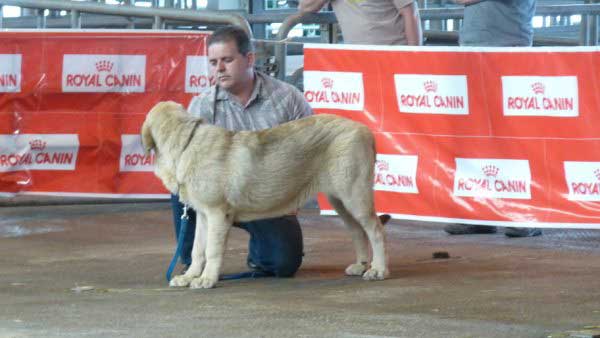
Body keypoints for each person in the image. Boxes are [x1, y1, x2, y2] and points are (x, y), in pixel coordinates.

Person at [171, 25, 313, 279]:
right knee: (182, 185)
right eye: (213, 62)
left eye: (227, 60)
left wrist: (293, 197)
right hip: (217, 195)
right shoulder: (201, 106)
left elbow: (308, 153)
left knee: (283, 264)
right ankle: (193, 261)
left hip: (266, 199)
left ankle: (260, 256)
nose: (219, 69)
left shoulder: (288, 99)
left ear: (249, 59)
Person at [445, 0, 542, 238]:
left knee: (513, 137)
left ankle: (522, 214)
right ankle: (478, 213)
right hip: (472, 50)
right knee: (475, 136)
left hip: (509, 51)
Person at [298, 0, 423, 46]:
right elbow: (305, 7)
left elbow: (410, 13)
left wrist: (413, 55)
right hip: (357, 56)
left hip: (393, 53)